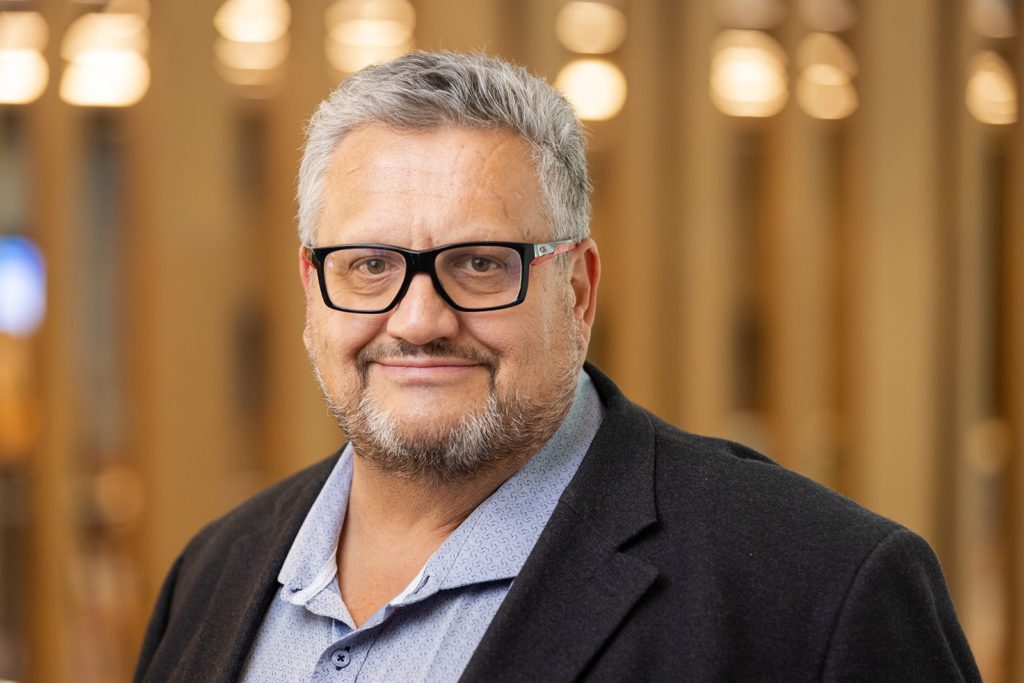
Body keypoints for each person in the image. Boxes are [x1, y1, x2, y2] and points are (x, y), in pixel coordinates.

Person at [133, 51, 979, 682]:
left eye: (480, 264)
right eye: (369, 265)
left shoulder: (819, 591)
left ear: (576, 290)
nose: (419, 319)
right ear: (312, 289)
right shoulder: (214, 574)